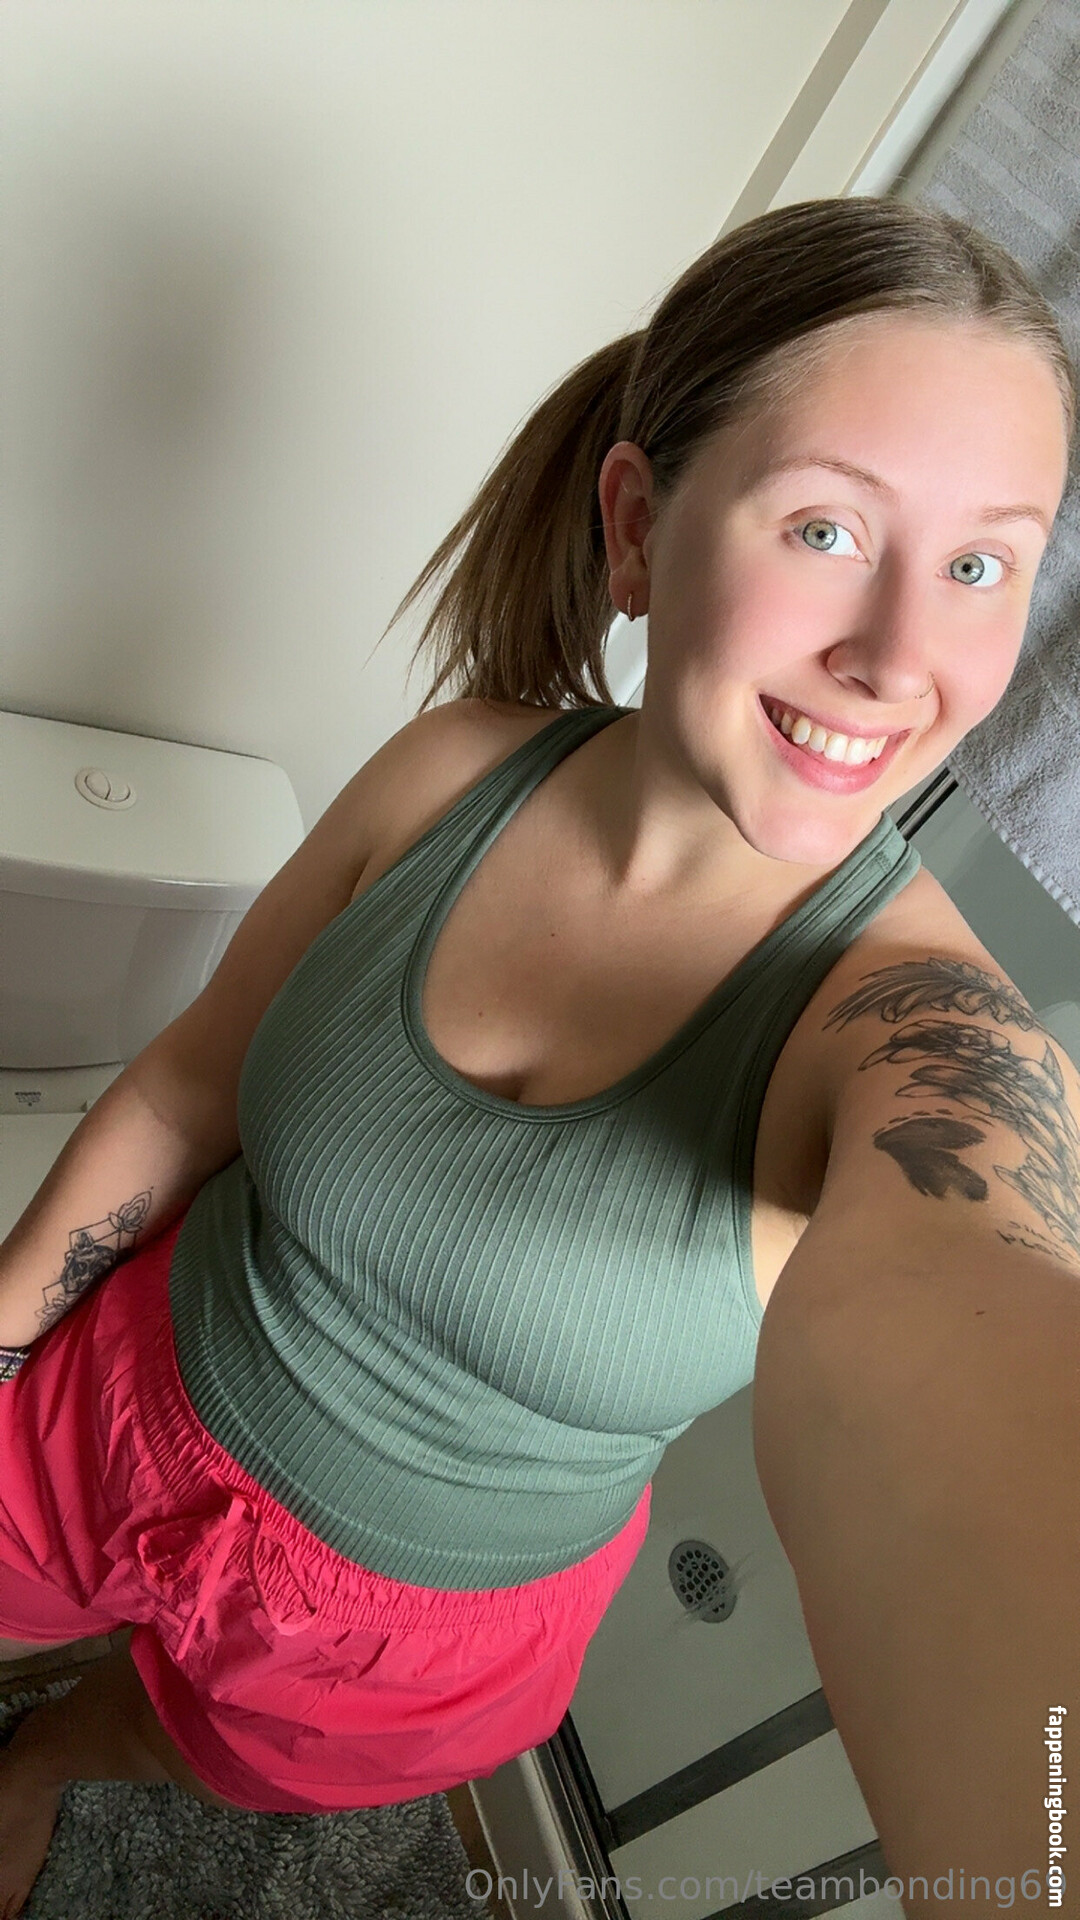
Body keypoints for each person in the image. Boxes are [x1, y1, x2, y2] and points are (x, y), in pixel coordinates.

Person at [1, 194, 1078, 1918]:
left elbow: (985, 1292)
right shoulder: (451, 773)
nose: (899, 659)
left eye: (979, 566)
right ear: (640, 528)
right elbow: (190, 1083)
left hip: (412, 1646)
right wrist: (1, 1333)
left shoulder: (921, 1035)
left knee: (199, 1742)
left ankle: (44, 1757)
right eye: (825, 529)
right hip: (118, 1403)